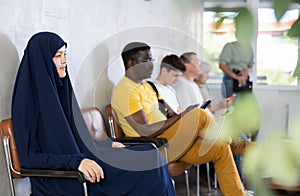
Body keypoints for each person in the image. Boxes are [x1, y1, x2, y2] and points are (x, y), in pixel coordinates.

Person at [11, 32, 175, 196]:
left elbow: (75, 138)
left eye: (65, 55)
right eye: (57, 56)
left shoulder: (61, 91)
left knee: (151, 154)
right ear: (42, 61)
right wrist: (76, 162)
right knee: (147, 167)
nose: (64, 61)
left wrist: (106, 144)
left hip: (83, 160)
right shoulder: (26, 102)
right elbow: (29, 158)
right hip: (64, 176)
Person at [111, 42, 246, 196]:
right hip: (154, 147)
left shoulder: (147, 86)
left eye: (152, 60)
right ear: (131, 63)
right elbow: (146, 131)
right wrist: (185, 116)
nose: (151, 65)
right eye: (147, 61)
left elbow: (170, 114)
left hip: (169, 140)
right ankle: (237, 145)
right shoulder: (126, 91)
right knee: (199, 115)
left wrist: (183, 115)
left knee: (220, 149)